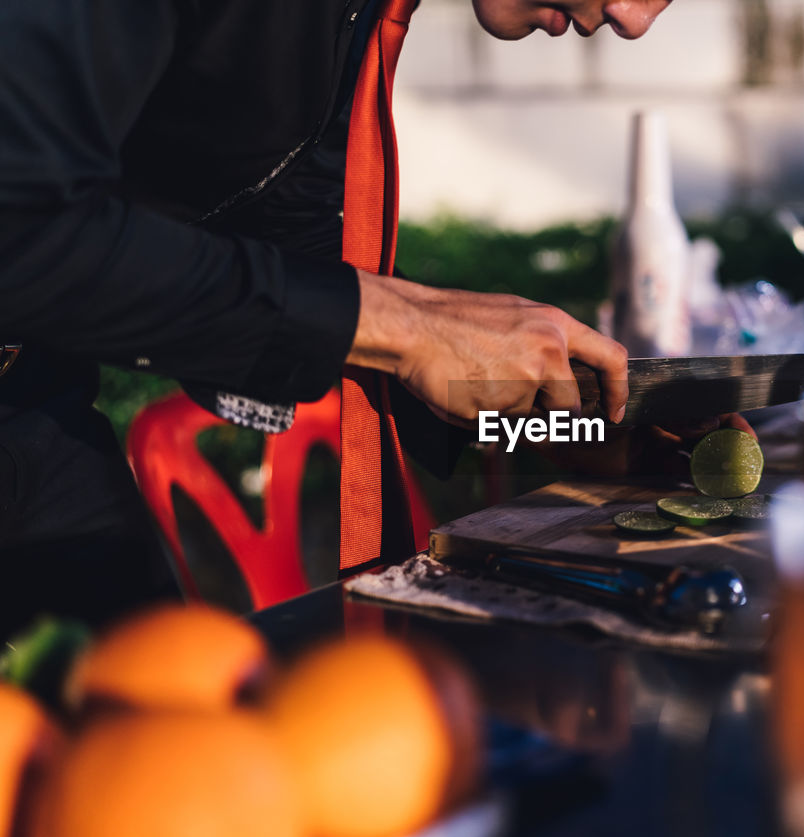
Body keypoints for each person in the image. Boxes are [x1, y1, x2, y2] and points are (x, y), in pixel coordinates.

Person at [0, 0, 673, 635]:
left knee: (141, 724)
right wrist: (409, 329)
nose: (634, 20)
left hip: (31, 401)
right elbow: (20, 224)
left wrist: (564, 421)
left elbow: (277, 231)